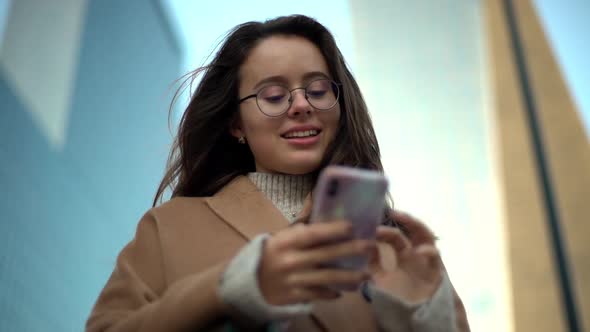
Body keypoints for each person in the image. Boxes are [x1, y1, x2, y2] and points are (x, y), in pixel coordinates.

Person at [86, 15, 470, 332]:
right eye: (273, 96)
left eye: (318, 90)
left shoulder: (395, 247)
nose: (302, 104)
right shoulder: (169, 226)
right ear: (236, 123)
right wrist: (232, 289)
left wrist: (424, 315)